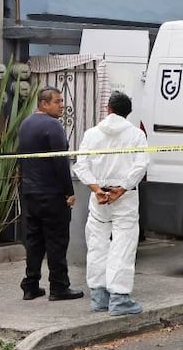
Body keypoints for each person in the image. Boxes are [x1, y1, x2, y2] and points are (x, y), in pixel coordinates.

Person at [73, 92, 150, 316]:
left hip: (99, 198)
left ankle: (98, 297)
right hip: (124, 198)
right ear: (128, 113)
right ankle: (119, 298)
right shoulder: (136, 135)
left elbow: (81, 165)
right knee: (123, 245)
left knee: (97, 244)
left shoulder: (92, 134)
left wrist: (97, 189)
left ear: (108, 109)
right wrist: (122, 189)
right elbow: (140, 165)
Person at [18, 87, 83, 301]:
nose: (61, 105)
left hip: (30, 193)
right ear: (44, 104)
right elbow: (60, 161)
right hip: (52, 194)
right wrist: (69, 192)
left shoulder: (25, 124)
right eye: (57, 101)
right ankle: (59, 287)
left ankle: (30, 285)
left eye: (62, 101)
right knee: (56, 240)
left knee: (34, 240)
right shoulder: (53, 126)